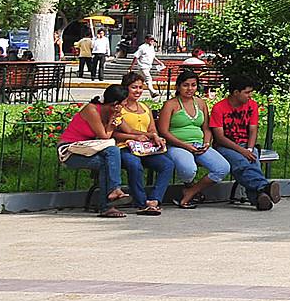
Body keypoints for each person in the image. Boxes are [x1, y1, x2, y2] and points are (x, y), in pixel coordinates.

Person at [58, 86, 141, 218]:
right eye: (124, 103)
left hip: (88, 150)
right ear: (115, 104)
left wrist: (150, 135)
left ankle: (108, 203)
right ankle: (111, 196)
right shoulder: (92, 110)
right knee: (112, 151)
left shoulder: (114, 113)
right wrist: (112, 120)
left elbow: (129, 131)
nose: (125, 106)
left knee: (107, 163)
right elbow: (105, 136)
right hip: (70, 151)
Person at [157, 70, 232, 208]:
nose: (190, 89)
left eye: (193, 85)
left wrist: (207, 143)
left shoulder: (200, 103)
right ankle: (188, 185)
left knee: (222, 168)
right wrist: (186, 146)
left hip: (199, 144)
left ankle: (191, 192)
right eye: (186, 85)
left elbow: (206, 128)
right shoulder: (171, 104)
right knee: (188, 169)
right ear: (178, 86)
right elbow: (163, 131)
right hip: (177, 145)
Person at [209, 82, 278, 211]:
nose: (250, 95)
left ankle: (259, 197)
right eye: (247, 92)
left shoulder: (252, 105)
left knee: (252, 162)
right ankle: (264, 187)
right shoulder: (219, 108)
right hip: (226, 146)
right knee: (242, 163)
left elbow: (253, 130)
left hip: (247, 145)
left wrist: (249, 149)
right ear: (236, 93)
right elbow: (220, 138)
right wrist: (242, 151)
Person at [107, 83, 172, 215]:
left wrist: (154, 136)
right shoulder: (118, 108)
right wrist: (135, 137)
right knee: (134, 164)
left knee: (167, 164)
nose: (138, 91)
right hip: (124, 146)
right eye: (134, 87)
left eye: (141, 87)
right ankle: (141, 203)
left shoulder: (144, 107)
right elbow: (115, 133)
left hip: (145, 147)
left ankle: (154, 200)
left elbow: (152, 128)